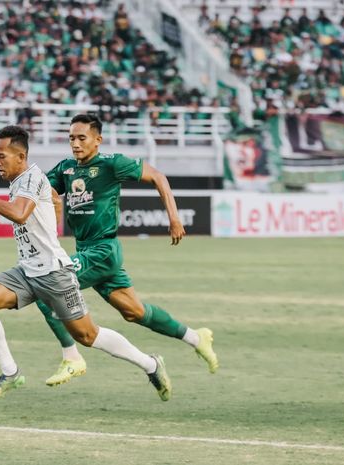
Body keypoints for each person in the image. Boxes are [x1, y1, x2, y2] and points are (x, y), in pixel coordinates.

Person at [0, 125, 171, 402]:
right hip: (27, 270)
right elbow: (51, 202)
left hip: (54, 274)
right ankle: (10, 373)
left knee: (88, 336)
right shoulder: (19, 181)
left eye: (1, 156)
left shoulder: (31, 178)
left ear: (20, 157)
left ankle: (150, 365)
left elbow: (20, 214)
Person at [36, 113, 218, 387]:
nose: (75, 143)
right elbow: (43, 192)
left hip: (103, 250)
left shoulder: (112, 164)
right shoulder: (66, 169)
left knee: (46, 285)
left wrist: (174, 217)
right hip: (88, 251)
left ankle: (71, 357)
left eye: (81, 138)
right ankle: (195, 338)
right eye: (71, 138)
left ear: (98, 140)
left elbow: (158, 176)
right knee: (134, 312)